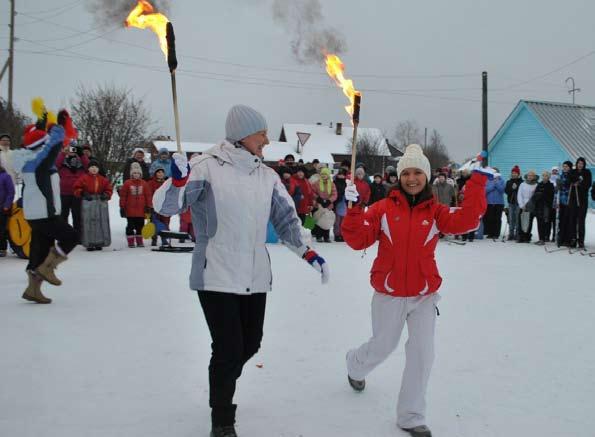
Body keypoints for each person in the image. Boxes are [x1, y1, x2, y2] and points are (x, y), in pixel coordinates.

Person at [153, 105, 329, 437]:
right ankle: (222, 418)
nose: (266, 140)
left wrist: (308, 252)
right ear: (242, 134)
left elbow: (286, 219)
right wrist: (176, 183)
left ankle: (221, 381)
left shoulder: (267, 175)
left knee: (250, 344)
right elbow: (166, 207)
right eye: (261, 133)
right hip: (215, 271)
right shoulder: (205, 167)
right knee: (228, 347)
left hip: (255, 274)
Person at [341, 144, 493, 437]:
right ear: (399, 177)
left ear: (426, 175)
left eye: (418, 173)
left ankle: (411, 415)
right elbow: (358, 240)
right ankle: (355, 365)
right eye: (406, 173)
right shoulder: (382, 209)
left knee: (423, 353)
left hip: (424, 295)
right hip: (390, 292)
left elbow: (467, 221)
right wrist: (354, 211)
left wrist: (477, 183)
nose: (412, 178)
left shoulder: (435, 211)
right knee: (384, 345)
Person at [12, 111, 79, 304]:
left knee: (40, 249)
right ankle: (47, 268)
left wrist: (42, 124)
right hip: (43, 213)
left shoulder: (30, 159)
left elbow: (46, 144)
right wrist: (58, 126)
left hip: (37, 212)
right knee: (71, 237)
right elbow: (55, 143)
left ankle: (33, 289)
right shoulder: (39, 161)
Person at [73, 160, 113, 251]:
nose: (94, 169)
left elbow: (109, 189)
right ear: (88, 169)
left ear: (98, 169)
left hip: (100, 202)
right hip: (88, 201)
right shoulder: (83, 178)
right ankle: (89, 242)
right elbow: (76, 188)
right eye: (92, 167)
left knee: (100, 221)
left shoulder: (103, 179)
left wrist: (106, 194)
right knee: (88, 221)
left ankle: (100, 242)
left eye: (95, 167)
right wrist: (82, 193)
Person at [56, 142, 89, 237]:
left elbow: (88, 167)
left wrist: (82, 155)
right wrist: (63, 153)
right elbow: (55, 165)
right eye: (70, 149)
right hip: (64, 192)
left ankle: (78, 236)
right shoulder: (62, 160)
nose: (72, 151)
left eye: (74, 149)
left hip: (77, 193)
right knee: (63, 216)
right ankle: (64, 235)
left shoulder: (81, 161)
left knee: (77, 215)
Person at [119, 167, 152, 248]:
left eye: (138, 173)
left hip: (141, 210)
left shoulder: (144, 183)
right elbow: (123, 196)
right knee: (130, 226)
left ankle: (139, 241)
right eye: (134, 173)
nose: (136, 175)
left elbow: (148, 196)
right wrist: (122, 207)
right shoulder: (127, 183)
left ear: (140, 174)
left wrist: (148, 206)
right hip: (129, 210)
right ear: (131, 174)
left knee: (140, 226)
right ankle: (130, 241)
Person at [567, 157, 592, 249]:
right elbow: (569, 179)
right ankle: (573, 239)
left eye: (582, 163)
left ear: (584, 164)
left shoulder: (587, 172)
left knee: (581, 221)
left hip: (582, 200)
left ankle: (581, 240)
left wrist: (580, 184)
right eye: (579, 163)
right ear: (576, 164)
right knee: (572, 219)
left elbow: (588, 184)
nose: (580, 165)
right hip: (573, 199)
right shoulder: (572, 172)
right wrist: (576, 181)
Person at [311, 167, 337, 242]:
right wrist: (318, 198)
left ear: (328, 175)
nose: (323, 176)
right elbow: (312, 192)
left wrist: (329, 200)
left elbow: (335, 194)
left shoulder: (332, 184)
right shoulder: (316, 183)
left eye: (325, 174)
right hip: (319, 205)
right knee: (319, 221)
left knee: (327, 220)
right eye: (322, 174)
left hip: (328, 205)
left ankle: (326, 237)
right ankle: (319, 236)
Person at [147, 167, 171, 247]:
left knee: (165, 223)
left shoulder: (167, 183)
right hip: (154, 207)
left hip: (165, 207)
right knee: (154, 223)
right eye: (158, 172)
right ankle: (154, 239)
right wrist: (150, 205)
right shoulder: (150, 183)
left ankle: (164, 239)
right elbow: (148, 195)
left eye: (162, 172)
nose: (160, 174)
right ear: (155, 173)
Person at [533, 171, 555, 245]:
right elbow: (535, 194)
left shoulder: (550, 185)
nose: (544, 177)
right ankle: (540, 238)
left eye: (546, 176)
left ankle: (546, 237)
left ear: (548, 177)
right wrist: (538, 195)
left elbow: (551, 196)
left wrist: (542, 194)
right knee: (539, 222)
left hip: (546, 206)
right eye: (543, 176)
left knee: (546, 222)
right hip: (539, 205)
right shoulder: (539, 184)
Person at [517, 170, 538, 243]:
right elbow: (519, 195)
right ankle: (520, 237)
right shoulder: (522, 184)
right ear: (527, 176)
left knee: (529, 222)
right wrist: (521, 205)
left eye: (532, 175)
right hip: (523, 205)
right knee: (521, 221)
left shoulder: (536, 185)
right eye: (529, 175)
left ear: (534, 177)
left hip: (531, 205)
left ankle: (527, 237)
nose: (530, 177)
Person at [484, 169, 505, 239]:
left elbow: (502, 190)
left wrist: (496, 183)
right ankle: (490, 233)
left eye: (495, 172)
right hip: (489, 202)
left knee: (497, 219)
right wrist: (493, 186)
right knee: (490, 218)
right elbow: (485, 190)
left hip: (499, 203)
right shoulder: (487, 180)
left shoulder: (502, 180)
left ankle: (496, 234)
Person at [0, 163, 16, 257]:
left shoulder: (6, 176)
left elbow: (11, 192)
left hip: (3, 208)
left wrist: (7, 205)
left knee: (2, 229)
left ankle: (2, 248)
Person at [557, 161, 573, 247]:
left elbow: (569, 185)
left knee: (568, 221)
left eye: (566, 166)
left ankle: (568, 239)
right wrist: (558, 185)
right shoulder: (561, 175)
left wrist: (564, 184)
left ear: (570, 167)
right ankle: (561, 238)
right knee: (561, 220)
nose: (565, 168)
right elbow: (558, 188)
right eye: (564, 166)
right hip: (561, 202)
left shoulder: (571, 175)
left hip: (569, 201)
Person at [504, 166, 523, 241]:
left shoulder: (521, 182)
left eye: (515, 173)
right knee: (511, 218)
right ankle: (511, 233)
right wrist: (512, 188)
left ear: (518, 174)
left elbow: (522, 192)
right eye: (513, 173)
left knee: (518, 219)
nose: (514, 174)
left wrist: (517, 188)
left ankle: (517, 234)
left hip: (518, 203)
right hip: (511, 202)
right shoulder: (509, 182)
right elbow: (506, 191)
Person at [333, 168, 348, 242]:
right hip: (337, 203)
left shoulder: (346, 183)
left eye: (343, 175)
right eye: (340, 174)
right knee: (337, 221)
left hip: (344, 204)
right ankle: (337, 234)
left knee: (343, 221)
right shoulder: (335, 182)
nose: (341, 176)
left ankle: (342, 234)